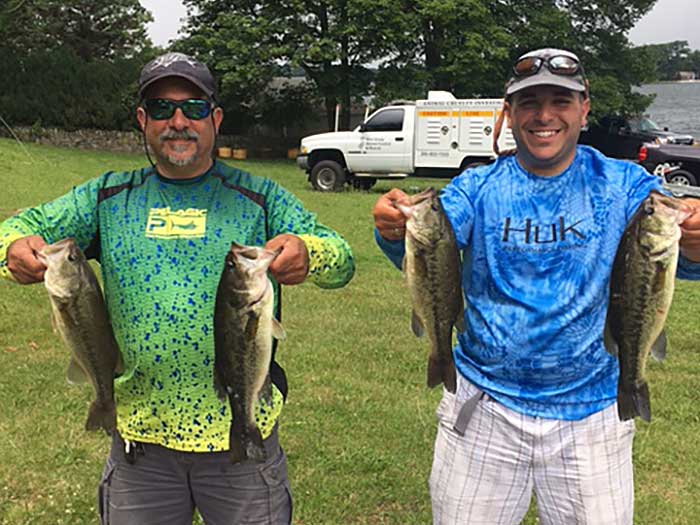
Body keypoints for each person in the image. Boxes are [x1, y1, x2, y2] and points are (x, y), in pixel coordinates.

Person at [0, 52, 354, 524]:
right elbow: (19, 228)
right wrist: (11, 251)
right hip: (140, 450)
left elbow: (342, 259)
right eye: (163, 109)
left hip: (242, 443)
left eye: (195, 108)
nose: (179, 122)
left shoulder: (259, 197)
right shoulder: (107, 197)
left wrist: (312, 254)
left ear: (216, 118)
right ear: (144, 120)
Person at [373, 48, 700, 525]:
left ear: (584, 107)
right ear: (509, 113)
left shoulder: (624, 184)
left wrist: (693, 240)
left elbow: (674, 256)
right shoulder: (477, 186)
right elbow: (432, 243)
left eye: (560, 101)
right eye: (529, 103)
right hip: (484, 407)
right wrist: (391, 230)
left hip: (593, 417)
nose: (544, 116)